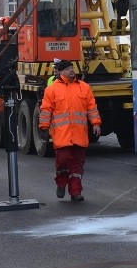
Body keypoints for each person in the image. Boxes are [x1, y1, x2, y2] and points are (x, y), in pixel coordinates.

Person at [38, 60, 101, 201]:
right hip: (62, 136)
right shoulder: (52, 89)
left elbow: (92, 108)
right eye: (68, 68)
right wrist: (43, 127)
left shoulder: (84, 88)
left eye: (72, 67)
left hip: (79, 134)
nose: (71, 70)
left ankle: (75, 192)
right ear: (60, 72)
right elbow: (46, 110)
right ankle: (61, 183)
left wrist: (96, 123)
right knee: (63, 161)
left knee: (77, 164)